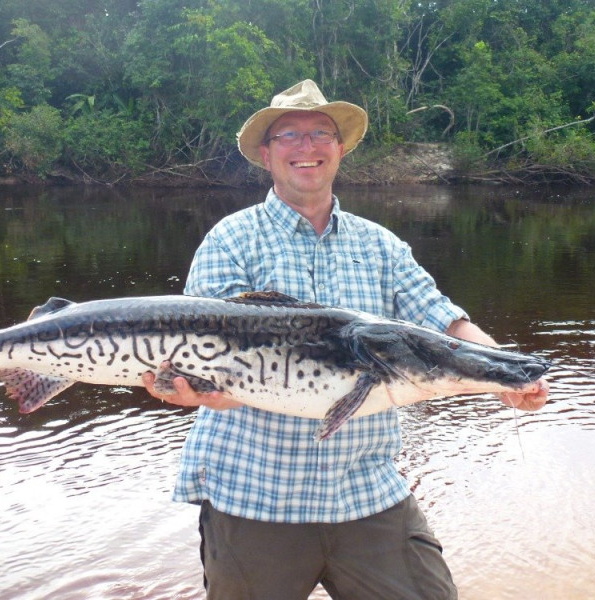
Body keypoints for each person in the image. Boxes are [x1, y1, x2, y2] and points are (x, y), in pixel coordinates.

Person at [143, 79, 549, 599]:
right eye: (290, 134)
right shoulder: (230, 239)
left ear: (339, 150)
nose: (307, 147)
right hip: (254, 498)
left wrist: (504, 373)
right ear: (267, 154)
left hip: (367, 494)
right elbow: (207, 359)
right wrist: (197, 393)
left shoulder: (381, 244)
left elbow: (446, 324)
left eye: (322, 134)